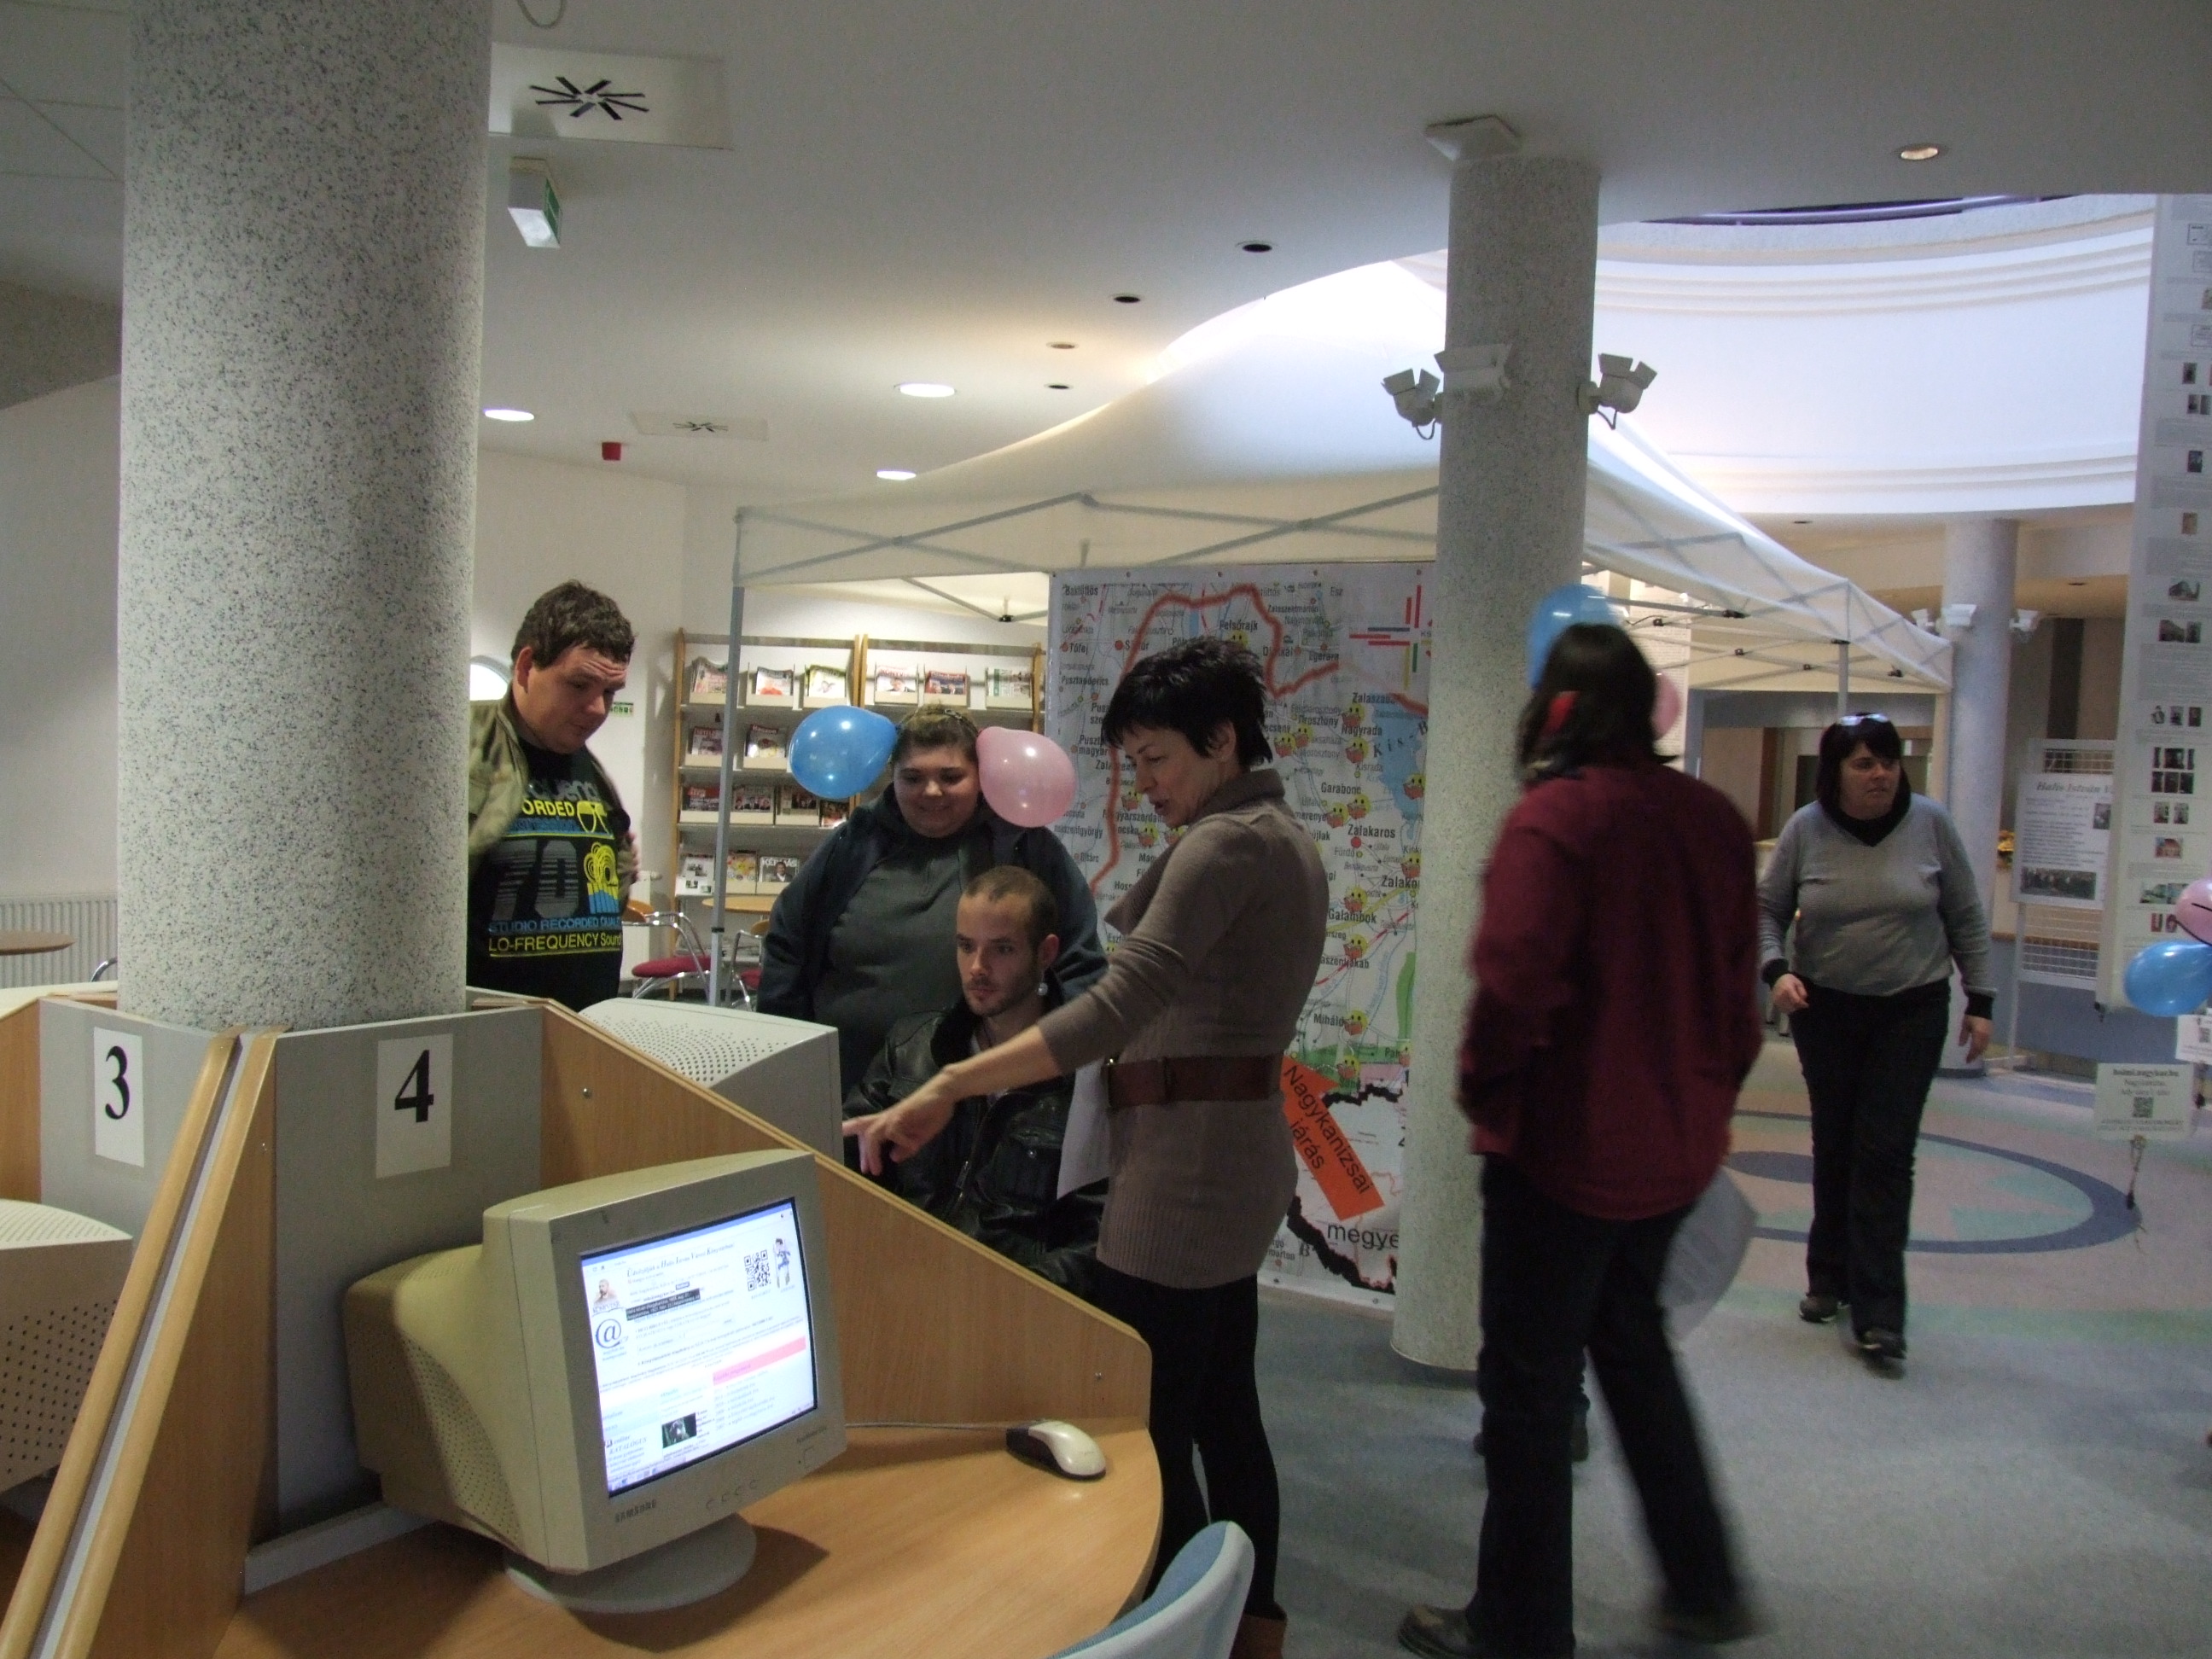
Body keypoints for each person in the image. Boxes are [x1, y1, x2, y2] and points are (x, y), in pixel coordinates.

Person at [847, 637, 1326, 1659]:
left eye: (1157, 759)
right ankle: (1249, 1627)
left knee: (1146, 1427)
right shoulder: (1276, 834)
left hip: (1184, 1176)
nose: (1144, 784)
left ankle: (1175, 1631)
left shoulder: (1225, 845)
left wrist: (951, 1082)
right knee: (1224, 1413)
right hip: (1225, 1157)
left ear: (1222, 740)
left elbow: (1116, 1007)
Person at [1400, 623, 1761, 1659]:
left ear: (1554, 709)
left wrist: (1485, 1092)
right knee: (1633, 1347)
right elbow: (1738, 997)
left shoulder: (1556, 820)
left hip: (1560, 1154)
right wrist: (1704, 1101)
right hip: (1675, 1148)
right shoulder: (1711, 818)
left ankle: (1519, 1628)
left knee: (1528, 1392)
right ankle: (1703, 1580)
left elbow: (1513, 983)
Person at [1759, 712, 1994, 1368]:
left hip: (1910, 1010)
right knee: (1836, 1143)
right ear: (1834, 772)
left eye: (1889, 761)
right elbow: (1766, 909)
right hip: (1826, 1008)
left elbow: (1966, 913)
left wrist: (1981, 999)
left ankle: (1881, 1313)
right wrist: (1775, 971)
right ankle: (1827, 1275)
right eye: (1864, 763)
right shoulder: (1806, 829)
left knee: (1886, 1153)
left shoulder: (1931, 824)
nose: (1880, 774)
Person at [758, 703, 1105, 1094]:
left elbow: (1081, 963)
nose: (932, 791)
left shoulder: (1026, 847)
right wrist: (784, 1062)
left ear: (981, 777)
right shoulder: (853, 845)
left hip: (985, 1096)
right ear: (893, 778)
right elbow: (788, 945)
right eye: (913, 777)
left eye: (951, 777)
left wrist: (1072, 1075)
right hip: (843, 1086)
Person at [841, 866, 1104, 1297]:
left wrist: (1003, 1297)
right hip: (899, 1290)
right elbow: (845, 1166)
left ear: (1046, 953)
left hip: (1013, 1308)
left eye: (1002, 949)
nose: (977, 968)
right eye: (966, 947)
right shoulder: (913, 1047)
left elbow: (1098, 1238)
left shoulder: (1085, 1077)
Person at [468, 580, 637, 1011]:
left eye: (609, 692)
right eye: (579, 685)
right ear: (526, 667)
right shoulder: (463, 747)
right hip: (485, 1030)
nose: (598, 709)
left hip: (588, 1025)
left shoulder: (593, 771)